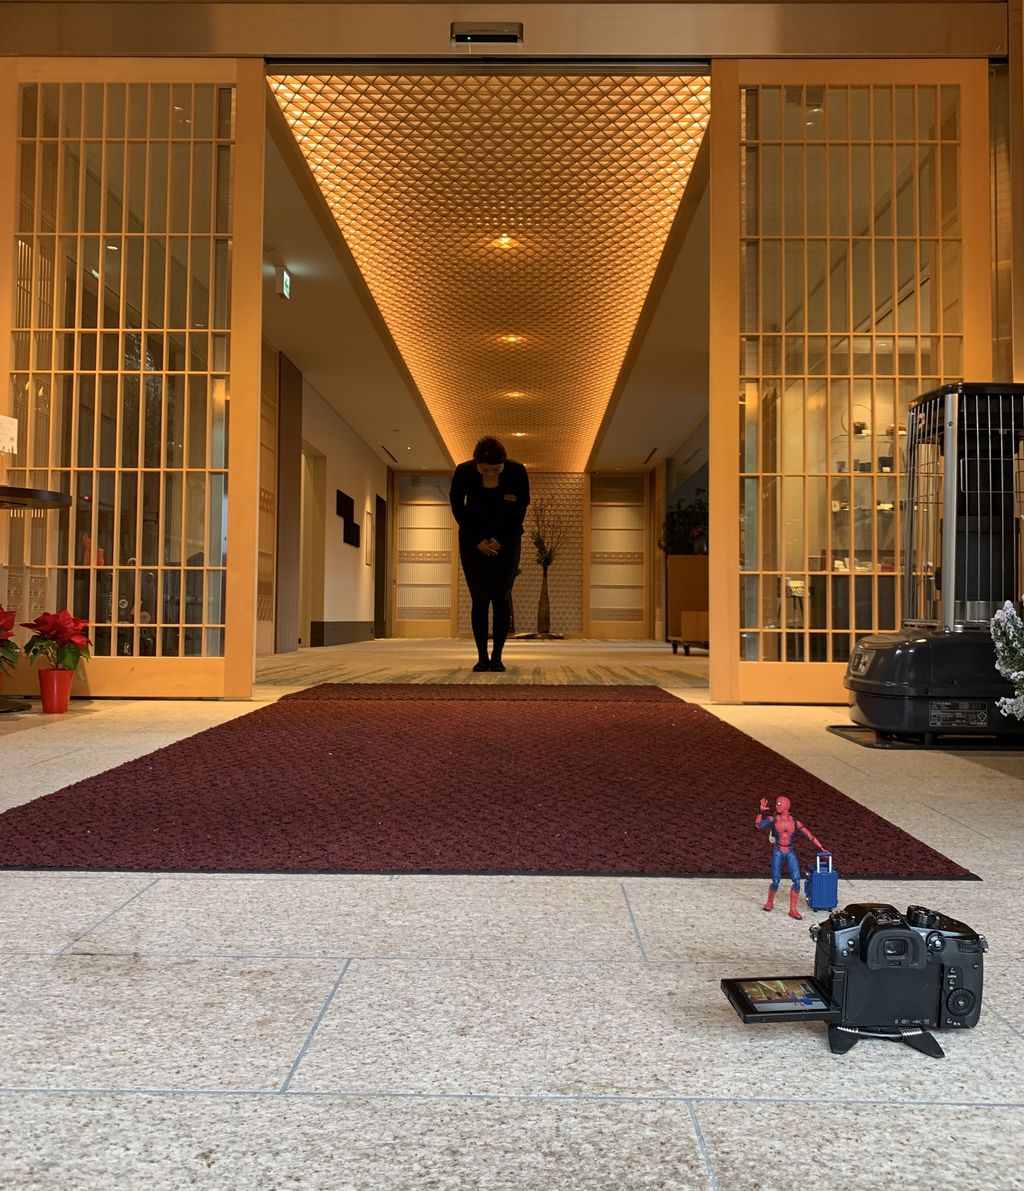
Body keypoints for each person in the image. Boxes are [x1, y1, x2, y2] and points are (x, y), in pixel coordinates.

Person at [449, 436, 530, 672]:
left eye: (496, 469)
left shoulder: (517, 471)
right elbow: (457, 507)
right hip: (473, 543)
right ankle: (482, 657)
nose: (491, 473)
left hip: (507, 542)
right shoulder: (464, 472)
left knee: (501, 597)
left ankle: (497, 658)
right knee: (480, 598)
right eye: (485, 469)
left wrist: (501, 540)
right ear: (477, 464)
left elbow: (521, 508)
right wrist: (477, 541)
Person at [755, 794, 826, 920]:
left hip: (789, 851)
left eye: (780, 804)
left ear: (786, 806)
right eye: (777, 803)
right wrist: (760, 812)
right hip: (778, 851)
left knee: (797, 881)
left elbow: (809, 835)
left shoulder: (795, 822)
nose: (777, 806)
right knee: (775, 881)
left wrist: (820, 847)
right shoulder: (774, 819)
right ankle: (769, 902)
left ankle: (793, 909)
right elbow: (758, 825)